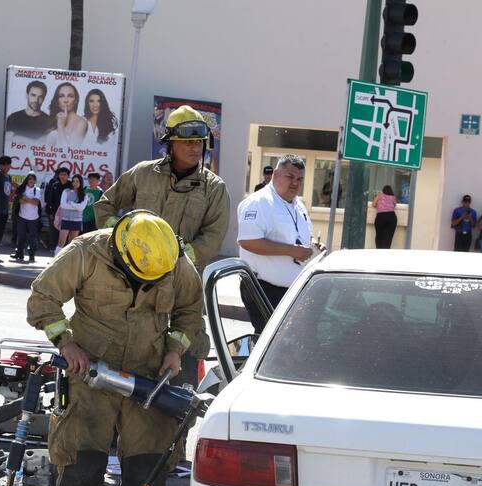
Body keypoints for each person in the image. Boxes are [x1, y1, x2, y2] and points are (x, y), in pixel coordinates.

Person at [26, 211, 204, 486]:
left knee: (149, 464)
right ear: (122, 254)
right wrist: (66, 343)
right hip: (90, 372)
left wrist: (174, 350)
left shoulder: (171, 259)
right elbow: (43, 297)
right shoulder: (87, 252)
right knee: (82, 461)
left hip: (149, 378)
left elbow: (189, 309)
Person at [94, 104, 230, 431]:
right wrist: (125, 240)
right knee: (124, 358)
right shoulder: (142, 174)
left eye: (199, 142)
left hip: (181, 288)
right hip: (132, 286)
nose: (194, 148)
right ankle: (116, 438)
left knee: (182, 357)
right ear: (170, 142)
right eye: (187, 142)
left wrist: (177, 262)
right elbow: (106, 207)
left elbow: (212, 236)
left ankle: (171, 446)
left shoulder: (214, 188)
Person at [236, 154, 322, 331]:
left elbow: (301, 234)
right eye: (289, 177)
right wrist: (291, 250)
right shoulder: (258, 202)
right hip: (264, 289)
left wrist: (313, 245)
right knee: (271, 345)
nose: (295, 183)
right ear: (275, 174)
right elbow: (248, 241)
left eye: (299, 179)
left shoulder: (297, 204)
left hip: (291, 289)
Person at [45, 82, 88, 149]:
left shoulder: (81, 123)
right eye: (61, 96)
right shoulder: (55, 118)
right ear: (57, 100)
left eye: (70, 96)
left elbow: (69, 153)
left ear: (76, 100)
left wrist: (61, 126)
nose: (65, 100)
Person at [13, 172, 43, 262]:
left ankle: (31, 255)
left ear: (35, 181)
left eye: (33, 179)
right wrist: (29, 199)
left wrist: (25, 198)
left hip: (33, 218)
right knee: (21, 236)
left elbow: (36, 203)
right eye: (29, 179)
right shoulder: (22, 188)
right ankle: (19, 254)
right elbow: (20, 201)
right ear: (27, 180)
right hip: (22, 216)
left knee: (32, 237)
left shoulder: (37, 190)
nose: (31, 180)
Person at [54, 174, 87, 253]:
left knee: (71, 243)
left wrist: (71, 203)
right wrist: (76, 206)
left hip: (77, 221)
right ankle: (56, 260)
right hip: (66, 219)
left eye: (77, 181)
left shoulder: (84, 195)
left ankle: (68, 262)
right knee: (61, 242)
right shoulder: (66, 191)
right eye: (73, 181)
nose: (75, 183)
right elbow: (63, 205)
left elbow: (81, 208)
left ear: (81, 183)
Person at [42, 166, 70, 251]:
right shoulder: (54, 185)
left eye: (64, 175)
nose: (62, 176)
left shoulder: (71, 186)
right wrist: (50, 213)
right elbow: (50, 200)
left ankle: (64, 249)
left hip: (67, 213)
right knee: (53, 230)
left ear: (68, 176)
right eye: (61, 174)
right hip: (54, 212)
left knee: (65, 231)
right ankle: (53, 248)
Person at [372, 184, 398, 249]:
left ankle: (379, 250)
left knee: (379, 236)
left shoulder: (379, 196)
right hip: (391, 217)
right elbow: (394, 205)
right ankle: (386, 252)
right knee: (388, 237)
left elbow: (374, 204)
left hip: (380, 217)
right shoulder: (393, 197)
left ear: (383, 191)